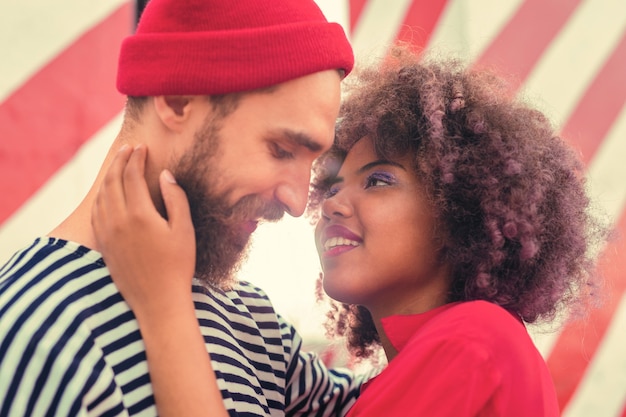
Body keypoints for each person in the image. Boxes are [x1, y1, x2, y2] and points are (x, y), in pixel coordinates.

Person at [91, 45, 609, 416]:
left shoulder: (473, 343)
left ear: (460, 214)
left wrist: (163, 307)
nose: (333, 201)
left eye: (379, 180)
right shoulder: (413, 367)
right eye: (332, 183)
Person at [0, 0, 368, 415]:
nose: (298, 203)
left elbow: (409, 395)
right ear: (176, 100)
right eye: (281, 150)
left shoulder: (256, 325)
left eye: (313, 162)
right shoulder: (36, 333)